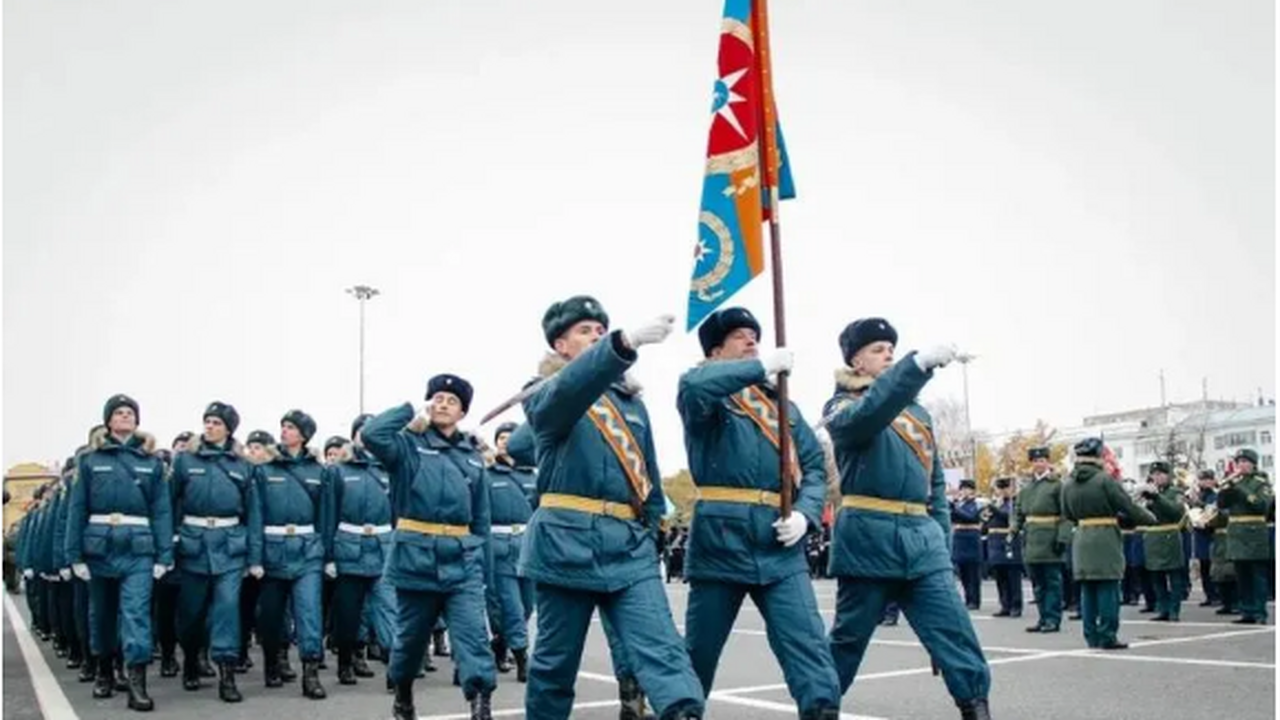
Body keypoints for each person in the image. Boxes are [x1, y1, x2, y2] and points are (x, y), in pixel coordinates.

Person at [518, 296, 704, 720]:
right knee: (554, 666)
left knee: (663, 652)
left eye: (602, 330)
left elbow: (649, 475)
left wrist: (653, 525)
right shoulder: (543, 391)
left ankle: (684, 712)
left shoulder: (630, 402)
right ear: (560, 345)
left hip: (627, 546)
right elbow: (567, 393)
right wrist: (622, 343)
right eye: (585, 331)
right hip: (564, 541)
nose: (596, 335)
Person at [822, 318, 990, 720]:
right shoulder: (842, 406)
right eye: (878, 350)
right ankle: (820, 709)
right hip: (868, 539)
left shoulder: (919, 415)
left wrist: (941, 542)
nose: (888, 355)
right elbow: (870, 413)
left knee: (956, 636)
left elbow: (934, 489)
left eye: (891, 350)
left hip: (921, 540)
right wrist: (915, 367)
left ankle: (977, 708)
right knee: (847, 642)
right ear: (856, 361)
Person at [678, 306, 840, 719]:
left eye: (754, 335)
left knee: (810, 653)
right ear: (714, 354)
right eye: (738, 336)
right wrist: (757, 370)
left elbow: (816, 467)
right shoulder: (705, 397)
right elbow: (694, 386)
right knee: (697, 660)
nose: (751, 341)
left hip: (779, 544)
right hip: (720, 541)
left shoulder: (784, 407)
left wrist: (805, 513)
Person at [361, 373, 497, 720]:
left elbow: (480, 519)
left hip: (461, 560)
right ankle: (403, 692)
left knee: (473, 637)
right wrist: (409, 413)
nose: (443, 404)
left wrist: (482, 566)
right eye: (436, 398)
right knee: (409, 640)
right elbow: (372, 435)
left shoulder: (472, 457)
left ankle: (480, 705)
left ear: (463, 412)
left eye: (451, 401)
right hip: (415, 558)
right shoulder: (406, 446)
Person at [65, 394, 173, 711]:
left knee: (136, 612)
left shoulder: (151, 462)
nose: (125, 417)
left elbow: (162, 511)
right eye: (119, 413)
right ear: (109, 421)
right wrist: (74, 556)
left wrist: (164, 555)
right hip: (98, 546)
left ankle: (136, 680)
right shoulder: (90, 460)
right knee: (101, 612)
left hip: (138, 547)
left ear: (137, 421)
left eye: (130, 413)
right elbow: (77, 509)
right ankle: (103, 670)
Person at [170, 401, 261, 702]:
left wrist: (254, 556)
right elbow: (170, 504)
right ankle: (192, 660)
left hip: (230, 545)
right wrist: (169, 543)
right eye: (207, 421)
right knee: (192, 612)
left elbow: (253, 513)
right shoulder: (185, 461)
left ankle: (227, 673)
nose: (209, 426)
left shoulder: (243, 465)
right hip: (194, 544)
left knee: (226, 609)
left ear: (229, 428)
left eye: (216, 422)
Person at [254, 409, 330, 699]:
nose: (284, 431)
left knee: (309, 613)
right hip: (273, 552)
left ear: (303, 434)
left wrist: (324, 552)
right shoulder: (265, 470)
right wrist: (255, 557)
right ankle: (273, 661)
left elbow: (325, 515)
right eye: (283, 426)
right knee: (270, 616)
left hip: (307, 550)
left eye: (291, 427)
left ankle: (310, 672)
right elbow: (256, 515)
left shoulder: (318, 471)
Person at [1059, 437, 1156, 649]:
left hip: (1082, 536)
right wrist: (1149, 518)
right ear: (1099, 457)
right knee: (1108, 587)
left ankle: (1091, 636)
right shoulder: (1105, 480)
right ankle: (1107, 635)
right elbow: (1127, 506)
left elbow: (1067, 514)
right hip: (1104, 537)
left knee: (1087, 589)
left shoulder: (1067, 484)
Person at [324, 414, 395, 686]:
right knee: (349, 611)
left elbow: (397, 513)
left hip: (382, 547)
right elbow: (329, 514)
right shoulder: (338, 470)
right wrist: (329, 555)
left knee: (388, 609)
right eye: (362, 431)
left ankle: (394, 666)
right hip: (349, 548)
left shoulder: (389, 467)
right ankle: (346, 660)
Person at [487, 422, 536, 682]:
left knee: (528, 606)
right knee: (512, 608)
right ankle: (521, 657)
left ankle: (501, 642)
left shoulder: (532, 475)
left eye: (510, 437)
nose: (505, 442)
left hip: (528, 547)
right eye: (501, 437)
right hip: (500, 548)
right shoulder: (488, 475)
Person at [1015, 446, 1071, 634]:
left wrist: (1062, 536)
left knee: (1052, 582)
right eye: (1036, 461)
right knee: (1037, 583)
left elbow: (1065, 513)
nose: (1039, 464)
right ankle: (1042, 617)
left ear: (1048, 462)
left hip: (1050, 538)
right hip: (1031, 540)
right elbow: (1018, 512)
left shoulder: (1057, 485)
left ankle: (1053, 619)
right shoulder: (1027, 488)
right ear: (1031, 463)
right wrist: (1014, 528)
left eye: (1043, 460)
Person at [1216, 449, 1274, 625]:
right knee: (1242, 576)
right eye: (1238, 461)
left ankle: (1260, 612)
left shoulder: (1261, 483)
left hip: (1254, 533)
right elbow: (1222, 505)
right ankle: (1246, 611)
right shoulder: (1236, 482)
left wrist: (1239, 488)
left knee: (1257, 575)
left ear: (1253, 464)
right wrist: (1225, 490)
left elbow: (1261, 506)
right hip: (1236, 533)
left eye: (1244, 461)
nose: (1240, 465)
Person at [1137, 461, 1186, 622]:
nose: (1157, 477)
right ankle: (1162, 608)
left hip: (1169, 536)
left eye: (1161, 474)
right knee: (1156, 576)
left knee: (1174, 576)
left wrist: (1157, 497)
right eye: (1154, 474)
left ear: (1168, 475)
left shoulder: (1176, 492)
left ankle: (1174, 610)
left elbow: (1176, 512)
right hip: (1152, 537)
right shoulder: (1147, 493)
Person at [984, 478, 1023, 618]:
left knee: (1012, 576)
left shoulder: (1015, 502)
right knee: (1000, 576)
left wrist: (995, 511)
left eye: (1005, 488)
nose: (1002, 491)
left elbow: (1011, 518)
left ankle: (1016, 605)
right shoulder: (997, 503)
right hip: (995, 542)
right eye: (1000, 489)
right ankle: (1005, 605)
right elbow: (986, 523)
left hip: (1008, 540)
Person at [951, 480, 983, 610]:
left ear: (972, 491)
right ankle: (968, 598)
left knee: (973, 573)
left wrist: (954, 508)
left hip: (971, 537)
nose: (964, 492)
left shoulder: (976, 504)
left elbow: (970, 517)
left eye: (967, 489)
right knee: (963, 572)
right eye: (962, 489)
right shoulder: (960, 504)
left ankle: (974, 600)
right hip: (959, 537)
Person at [1190, 470, 1221, 606]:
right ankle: (1209, 595)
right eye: (1203, 479)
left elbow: (1212, 511)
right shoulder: (1199, 495)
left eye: (1209, 479)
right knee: (1203, 567)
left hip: (1211, 534)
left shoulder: (1215, 495)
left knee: (1213, 567)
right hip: (1199, 535)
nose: (1205, 482)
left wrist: (1199, 503)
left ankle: (1216, 595)